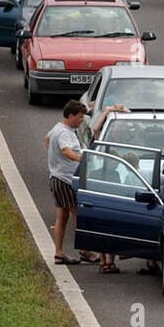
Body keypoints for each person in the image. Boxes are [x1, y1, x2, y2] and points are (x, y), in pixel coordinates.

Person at [44, 102, 97, 266]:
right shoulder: (64, 133)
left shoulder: (57, 129)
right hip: (65, 179)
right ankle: (84, 250)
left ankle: (59, 253)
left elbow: (46, 140)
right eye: (80, 117)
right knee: (78, 215)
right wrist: (83, 159)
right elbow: (66, 151)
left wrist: (54, 160)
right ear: (71, 115)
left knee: (62, 216)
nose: (81, 120)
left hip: (58, 177)